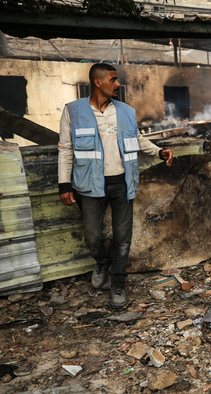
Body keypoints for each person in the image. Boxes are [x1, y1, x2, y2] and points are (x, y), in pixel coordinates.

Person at [58, 63, 173, 308]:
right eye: (113, 79)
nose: (118, 84)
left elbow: (138, 139)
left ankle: (118, 284)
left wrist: (159, 151)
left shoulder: (126, 111)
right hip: (89, 185)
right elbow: (66, 150)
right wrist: (64, 184)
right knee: (92, 237)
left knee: (123, 238)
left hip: (122, 183)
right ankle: (101, 262)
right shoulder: (73, 111)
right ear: (97, 82)